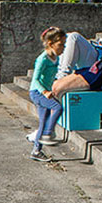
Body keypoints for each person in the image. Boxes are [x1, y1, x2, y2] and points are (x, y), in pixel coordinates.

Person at [27, 26, 66, 162]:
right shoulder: (43, 59)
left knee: (43, 121)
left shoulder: (55, 58)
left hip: (44, 92)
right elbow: (35, 79)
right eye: (60, 45)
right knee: (57, 107)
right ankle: (48, 134)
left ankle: (36, 151)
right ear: (51, 44)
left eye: (64, 44)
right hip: (37, 92)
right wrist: (44, 91)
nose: (63, 48)